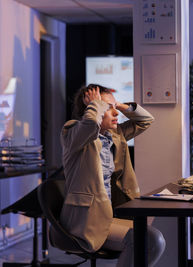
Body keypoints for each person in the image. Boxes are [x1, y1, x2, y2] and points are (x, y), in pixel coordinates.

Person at [58, 84, 165, 266]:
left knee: (154, 238)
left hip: (109, 216)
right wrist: (96, 104)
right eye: (108, 108)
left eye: (114, 108)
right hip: (87, 220)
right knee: (150, 239)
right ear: (91, 109)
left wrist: (118, 104)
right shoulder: (72, 132)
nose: (116, 113)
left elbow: (146, 120)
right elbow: (90, 124)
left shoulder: (115, 134)